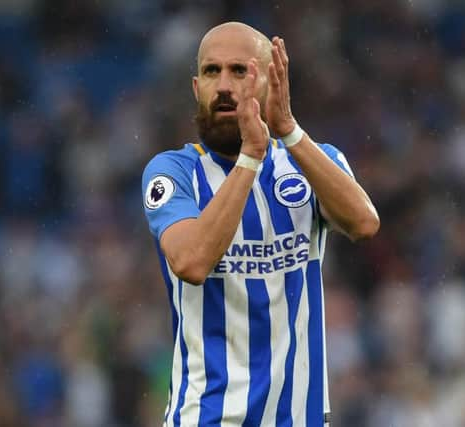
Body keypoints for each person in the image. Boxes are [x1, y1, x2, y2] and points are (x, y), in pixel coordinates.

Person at [141, 21, 379, 427]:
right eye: (212, 72)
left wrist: (285, 130)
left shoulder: (312, 164)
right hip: (207, 418)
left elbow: (363, 223)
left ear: (272, 81)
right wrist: (251, 157)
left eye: (240, 71)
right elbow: (191, 261)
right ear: (196, 88)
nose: (225, 86)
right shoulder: (173, 172)